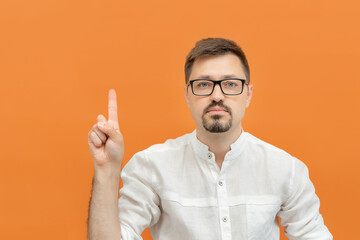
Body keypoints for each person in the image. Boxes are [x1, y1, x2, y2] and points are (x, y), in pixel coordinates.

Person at [87, 38, 333, 240]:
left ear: (248, 94)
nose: (217, 95)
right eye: (204, 84)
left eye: (230, 84)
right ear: (187, 94)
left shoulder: (286, 169)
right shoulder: (151, 166)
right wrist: (106, 170)